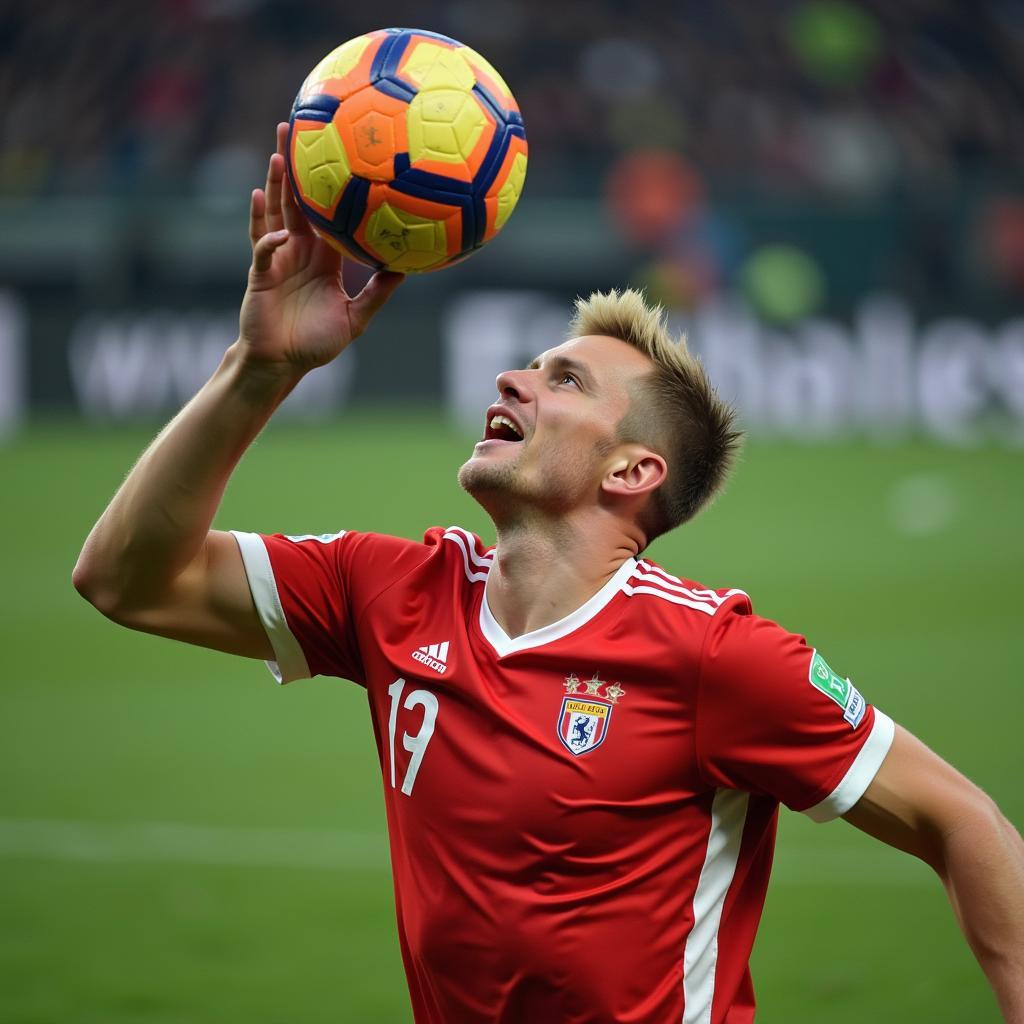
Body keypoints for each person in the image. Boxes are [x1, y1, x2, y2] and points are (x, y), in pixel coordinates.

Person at [73, 125, 1024, 1024]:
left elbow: (963, 820)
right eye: (528, 365)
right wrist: (257, 368)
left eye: (564, 379)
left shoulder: (714, 656)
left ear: (632, 473)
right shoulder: (390, 589)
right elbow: (125, 580)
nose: (512, 381)